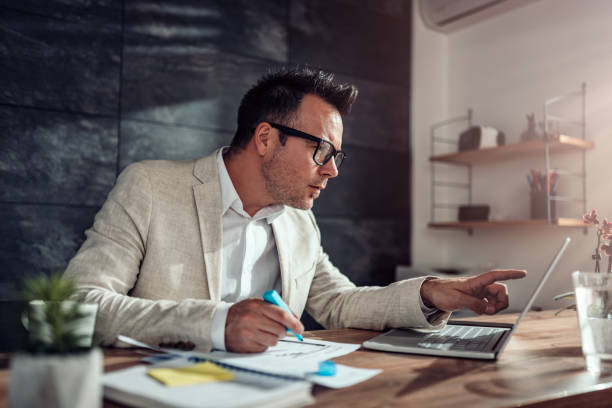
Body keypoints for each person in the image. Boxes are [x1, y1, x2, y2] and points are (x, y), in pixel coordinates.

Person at [64, 67, 526, 353]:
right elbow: (74, 304)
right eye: (322, 151)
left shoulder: (299, 220)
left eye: (336, 156)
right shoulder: (150, 186)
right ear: (266, 138)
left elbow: (339, 304)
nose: (332, 172)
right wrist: (216, 322)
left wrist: (431, 294)